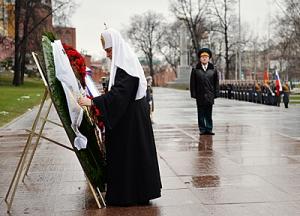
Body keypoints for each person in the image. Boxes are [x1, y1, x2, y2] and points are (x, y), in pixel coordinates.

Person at [78, 28, 162, 206]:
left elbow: (120, 95)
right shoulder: (124, 63)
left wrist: (94, 102)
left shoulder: (127, 65)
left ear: (116, 47)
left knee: (130, 155)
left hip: (132, 122)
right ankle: (132, 192)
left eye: (109, 51)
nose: (108, 55)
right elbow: (118, 93)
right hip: (129, 118)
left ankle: (129, 194)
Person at [190, 48, 219, 135]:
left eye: (206, 57)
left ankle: (209, 129)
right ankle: (202, 129)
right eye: (202, 57)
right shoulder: (195, 69)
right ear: (200, 58)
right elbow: (192, 83)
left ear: (209, 58)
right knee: (201, 113)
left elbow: (216, 82)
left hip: (210, 95)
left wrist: (216, 93)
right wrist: (193, 94)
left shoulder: (213, 69)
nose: (204, 58)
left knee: (209, 113)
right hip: (200, 95)